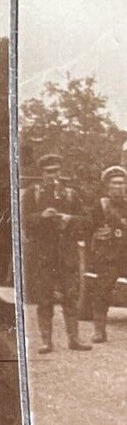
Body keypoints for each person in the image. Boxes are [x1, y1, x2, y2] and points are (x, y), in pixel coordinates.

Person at [20, 150, 91, 354]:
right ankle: (46, 341)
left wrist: (70, 219)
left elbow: (87, 221)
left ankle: (74, 338)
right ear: (42, 173)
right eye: (49, 172)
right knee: (45, 298)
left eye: (57, 171)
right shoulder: (33, 193)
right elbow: (23, 222)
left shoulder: (71, 194)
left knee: (71, 295)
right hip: (44, 254)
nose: (54, 176)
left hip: (67, 253)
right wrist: (42, 216)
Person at [86, 165, 127, 343]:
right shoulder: (100, 205)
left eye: (122, 183)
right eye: (115, 183)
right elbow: (89, 228)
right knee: (103, 291)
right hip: (108, 255)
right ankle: (99, 330)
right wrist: (96, 235)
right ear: (107, 186)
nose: (119, 186)